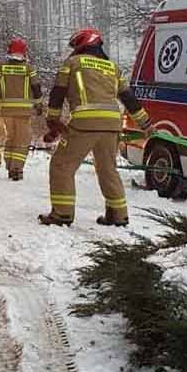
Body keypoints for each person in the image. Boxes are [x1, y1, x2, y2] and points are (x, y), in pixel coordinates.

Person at [38, 27, 151, 227]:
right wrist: (146, 125)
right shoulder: (112, 68)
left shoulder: (72, 64)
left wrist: (53, 122)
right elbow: (129, 98)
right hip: (112, 125)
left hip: (84, 124)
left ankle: (62, 213)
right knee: (108, 169)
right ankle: (118, 214)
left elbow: (58, 93)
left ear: (82, 44)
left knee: (61, 166)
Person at [0, 37, 42, 181]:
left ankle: (9, 166)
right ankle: (17, 169)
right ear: (24, 52)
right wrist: (39, 104)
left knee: (11, 138)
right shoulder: (29, 69)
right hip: (24, 111)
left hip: (6, 110)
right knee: (22, 140)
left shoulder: (1, 67)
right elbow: (36, 88)